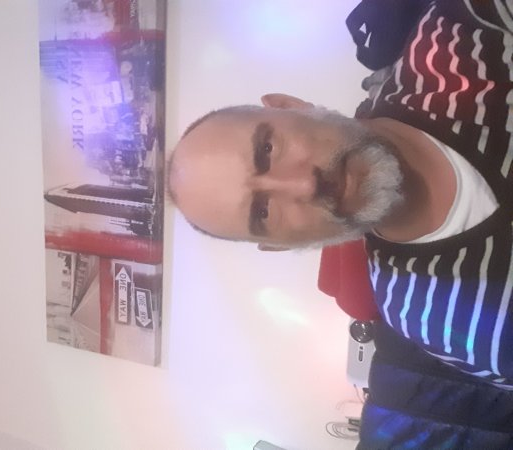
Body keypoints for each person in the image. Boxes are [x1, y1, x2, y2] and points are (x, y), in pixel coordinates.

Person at [168, 0, 513, 392]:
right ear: (280, 245)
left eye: (267, 149)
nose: (304, 185)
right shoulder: (431, 319)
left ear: (292, 106)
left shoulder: (456, 40)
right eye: (262, 211)